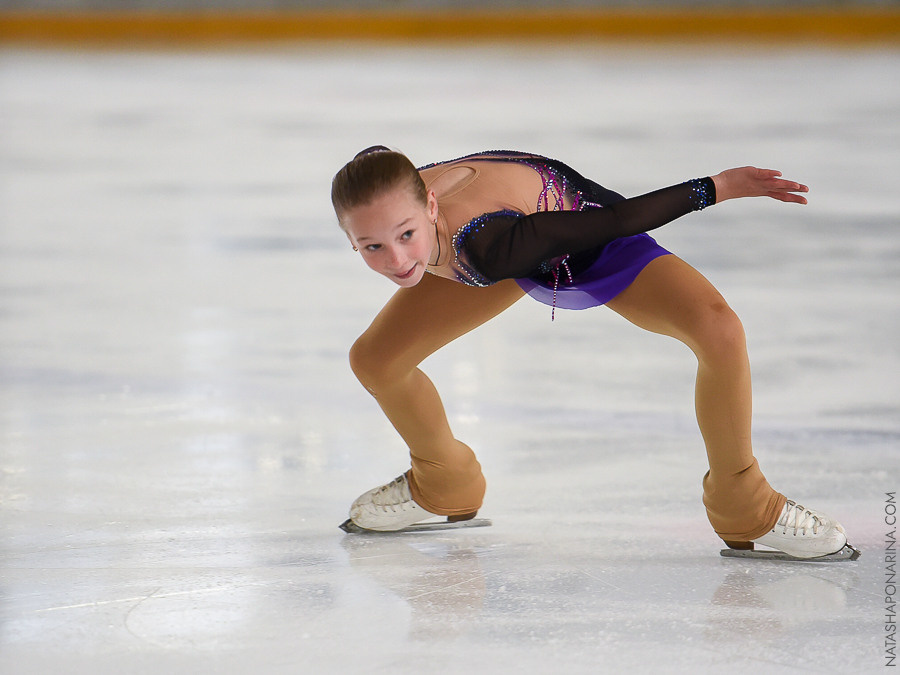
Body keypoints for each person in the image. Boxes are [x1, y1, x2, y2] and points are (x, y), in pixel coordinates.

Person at [331, 147, 853, 559]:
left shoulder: (487, 243)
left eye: (405, 236)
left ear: (429, 204)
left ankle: (744, 502)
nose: (397, 261)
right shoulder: (393, 194)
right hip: (499, 240)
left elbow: (616, 222)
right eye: (372, 247)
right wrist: (414, 241)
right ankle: (444, 481)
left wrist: (719, 187)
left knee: (719, 331)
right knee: (375, 359)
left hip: (583, 236)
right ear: (350, 239)